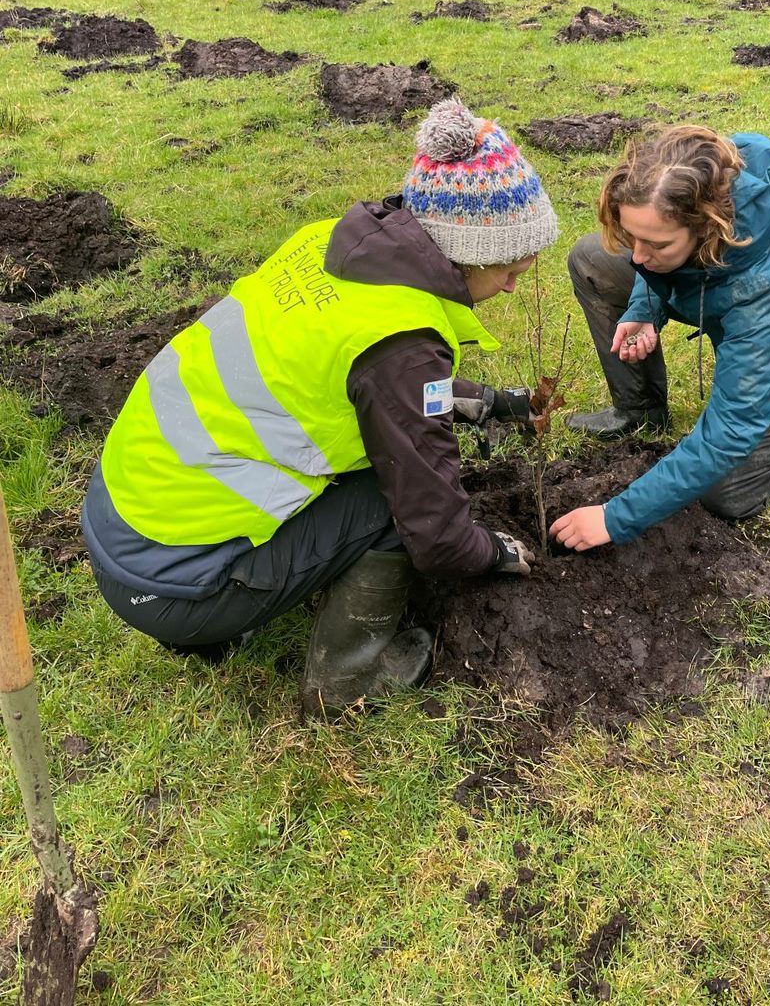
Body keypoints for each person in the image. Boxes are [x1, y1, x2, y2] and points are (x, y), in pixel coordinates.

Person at [81, 100, 559, 715]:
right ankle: (349, 684)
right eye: (511, 267)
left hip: (125, 520)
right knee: (394, 500)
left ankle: (230, 609)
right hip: (172, 587)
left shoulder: (328, 247)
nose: (517, 283)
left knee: (379, 466)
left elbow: (364, 391)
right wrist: (493, 550)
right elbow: (437, 535)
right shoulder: (400, 344)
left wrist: (493, 403)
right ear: (466, 247)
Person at [550, 127, 770, 553]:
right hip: (715, 283)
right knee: (594, 261)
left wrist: (614, 517)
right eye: (632, 236)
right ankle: (639, 409)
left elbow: (732, 428)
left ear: (704, 227)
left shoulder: (763, 286)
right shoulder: (688, 177)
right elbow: (650, 260)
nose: (637, 256)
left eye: (655, 243)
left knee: (727, 494)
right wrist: (645, 308)